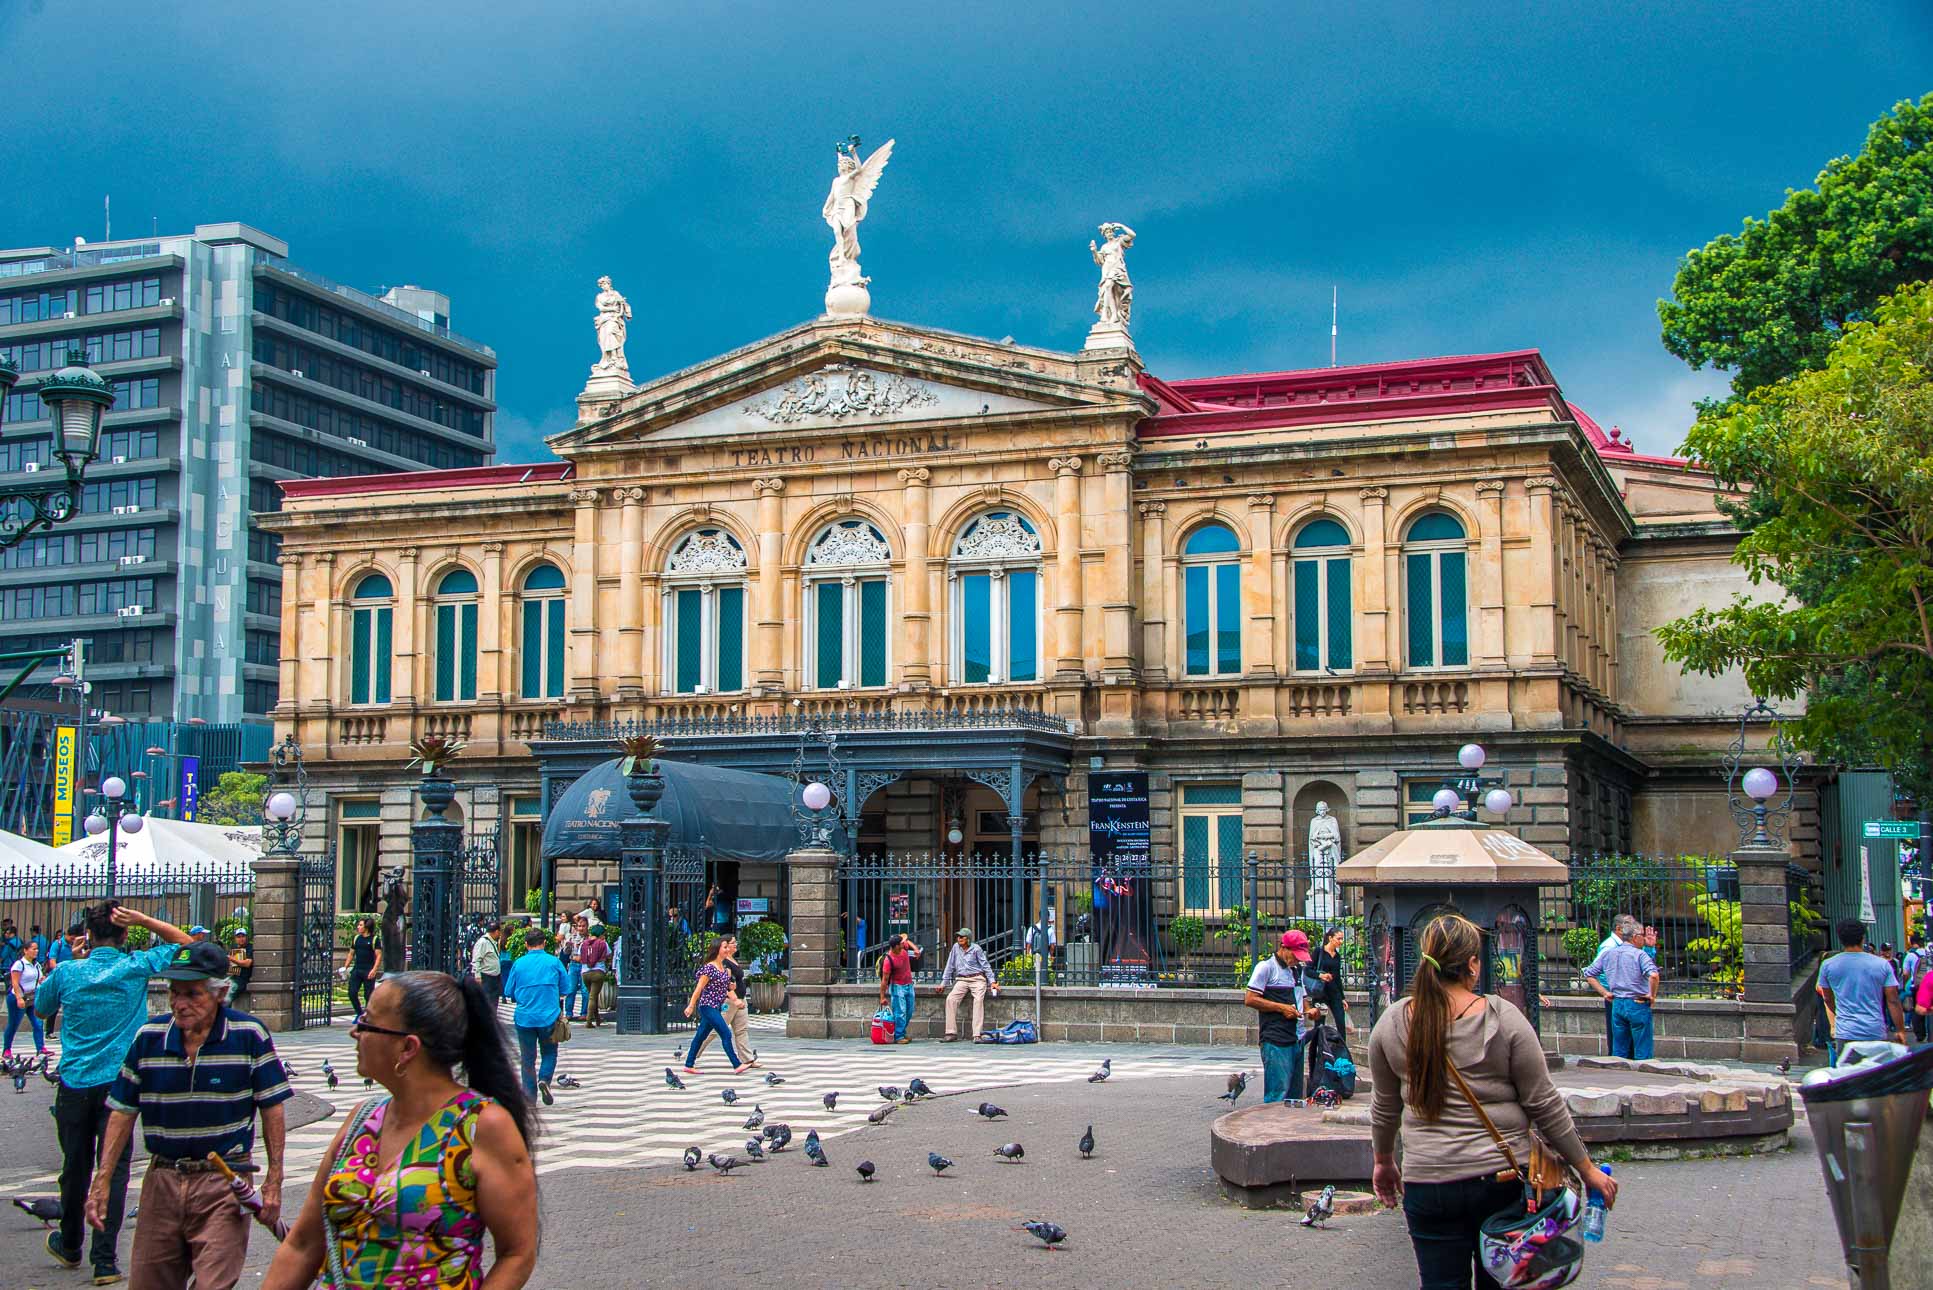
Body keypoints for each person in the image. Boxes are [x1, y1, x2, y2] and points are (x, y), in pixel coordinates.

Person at [1370, 914, 1617, 1289]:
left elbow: (1385, 1108)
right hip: (1500, 1181)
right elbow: (1544, 1103)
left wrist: (1384, 1162)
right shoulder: (1503, 1018)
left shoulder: (1392, 1023)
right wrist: (1586, 1168)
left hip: (1428, 1181)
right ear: (1472, 964)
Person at [259, 972, 538, 1290]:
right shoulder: (362, 1120)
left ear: (407, 1047)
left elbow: (517, 1253)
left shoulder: (481, 1126)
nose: (355, 1032)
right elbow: (303, 1245)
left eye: (366, 1023)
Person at [87, 941, 290, 1290]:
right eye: (174, 993)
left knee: (214, 1282)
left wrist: (274, 1179)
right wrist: (102, 1179)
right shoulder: (149, 1037)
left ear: (220, 993)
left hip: (224, 1179)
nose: (180, 1004)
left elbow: (272, 1105)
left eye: (192, 994)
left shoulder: (248, 1035)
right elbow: (122, 1111)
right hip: (163, 1178)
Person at [36, 903, 194, 1283]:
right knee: (114, 1169)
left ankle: (71, 1241)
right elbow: (189, 946)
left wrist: (72, 964)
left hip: (74, 1082)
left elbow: (41, 1008)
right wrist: (144, 920)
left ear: (87, 936)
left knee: (74, 1167)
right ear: (124, 935)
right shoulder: (134, 966)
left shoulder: (69, 973)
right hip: (119, 1085)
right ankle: (104, 1259)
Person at [1244, 930, 1324, 1102]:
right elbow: (1250, 999)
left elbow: (1301, 996)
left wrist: (1309, 1010)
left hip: (1297, 1038)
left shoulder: (1296, 970)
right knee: (1278, 1094)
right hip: (1276, 1040)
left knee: (1295, 1096)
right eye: (1295, 955)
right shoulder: (1266, 968)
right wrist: (1281, 1008)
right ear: (1283, 948)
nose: (1297, 959)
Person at [1818, 918, 1908, 1059]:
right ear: (1862, 938)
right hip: (1874, 1030)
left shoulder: (1828, 965)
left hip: (1845, 1031)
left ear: (1840, 939)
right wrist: (1900, 1030)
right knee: (1875, 1076)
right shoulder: (1882, 965)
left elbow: (1827, 998)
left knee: (1847, 1075)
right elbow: (1893, 1000)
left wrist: (1838, 1021)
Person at [500, 926, 568, 1105]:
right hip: (549, 1016)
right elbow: (567, 988)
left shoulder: (519, 963)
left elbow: (508, 991)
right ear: (544, 943)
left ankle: (529, 1096)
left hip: (524, 1018)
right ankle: (544, 1079)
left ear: (525, 944)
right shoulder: (554, 962)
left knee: (527, 1058)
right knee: (550, 1052)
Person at [1584, 914, 1660, 1059]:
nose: (1644, 939)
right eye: (1642, 935)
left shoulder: (1610, 953)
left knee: (1619, 1049)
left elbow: (1589, 974)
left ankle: (1618, 1074)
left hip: (1618, 1002)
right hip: (1638, 1002)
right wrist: (1652, 995)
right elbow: (1654, 975)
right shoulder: (1638, 955)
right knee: (1642, 1049)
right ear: (1635, 937)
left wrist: (1605, 993)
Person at [680, 938, 751, 1074]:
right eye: (724, 947)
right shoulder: (709, 968)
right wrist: (691, 1006)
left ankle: (689, 1064)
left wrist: (735, 999)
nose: (727, 949)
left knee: (700, 1036)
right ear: (717, 949)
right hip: (707, 1006)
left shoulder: (723, 969)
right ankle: (736, 1064)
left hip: (717, 1006)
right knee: (726, 1033)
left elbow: (726, 989)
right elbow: (699, 988)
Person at [695, 933, 757, 1067]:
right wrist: (734, 999)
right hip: (728, 1002)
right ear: (725, 946)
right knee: (714, 1030)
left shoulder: (733, 960)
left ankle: (748, 1059)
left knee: (741, 1030)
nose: (736, 945)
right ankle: (692, 1054)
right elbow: (726, 984)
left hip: (740, 999)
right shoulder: (724, 963)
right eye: (733, 943)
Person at [939, 927, 997, 1042]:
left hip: (977, 978)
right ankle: (951, 1032)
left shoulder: (976, 949)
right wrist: (943, 983)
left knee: (978, 1000)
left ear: (968, 939)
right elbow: (949, 965)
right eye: (958, 937)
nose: (959, 939)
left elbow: (985, 965)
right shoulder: (956, 948)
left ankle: (977, 1034)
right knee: (951, 999)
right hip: (962, 979)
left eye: (962, 937)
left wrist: (992, 982)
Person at [6, 938, 48, 1060]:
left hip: (32, 998)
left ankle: (40, 1049)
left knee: (38, 1023)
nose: (36, 951)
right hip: (19, 998)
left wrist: (43, 980)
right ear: (25, 950)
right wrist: (19, 998)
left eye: (37, 949)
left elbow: (39, 979)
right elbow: (15, 982)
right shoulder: (19, 964)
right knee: (13, 1024)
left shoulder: (37, 965)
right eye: (33, 949)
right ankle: (7, 1049)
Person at [878, 933, 921, 1044]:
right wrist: (882, 997)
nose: (904, 944)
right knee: (900, 1012)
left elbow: (908, 941)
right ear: (896, 946)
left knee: (909, 1011)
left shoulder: (903, 948)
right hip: (897, 987)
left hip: (909, 985)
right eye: (901, 943)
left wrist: (916, 949)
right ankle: (899, 1036)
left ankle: (901, 1031)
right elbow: (884, 980)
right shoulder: (888, 960)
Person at [1313, 925, 1350, 1038]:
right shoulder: (1319, 952)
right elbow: (1308, 970)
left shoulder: (1337, 956)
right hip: (1321, 992)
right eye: (1338, 938)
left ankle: (1341, 1049)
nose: (1341, 941)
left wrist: (1342, 997)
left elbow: (1337, 977)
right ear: (1330, 938)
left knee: (1341, 1023)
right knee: (1320, 1024)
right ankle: (1318, 1048)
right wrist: (1321, 975)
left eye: (1342, 939)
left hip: (1334, 992)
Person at [344, 918, 380, 1020]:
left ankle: (368, 1016)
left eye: (360, 925)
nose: (358, 927)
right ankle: (359, 1013)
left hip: (368, 970)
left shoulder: (374, 939)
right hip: (357, 970)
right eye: (358, 925)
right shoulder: (356, 938)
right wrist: (345, 967)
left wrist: (374, 969)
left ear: (367, 927)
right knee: (352, 992)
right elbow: (351, 954)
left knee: (368, 995)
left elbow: (378, 956)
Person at [578, 922, 612, 1028]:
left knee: (593, 996)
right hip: (598, 972)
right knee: (593, 997)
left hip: (585, 972)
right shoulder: (602, 943)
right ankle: (588, 1021)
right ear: (601, 934)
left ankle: (597, 1019)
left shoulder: (584, 943)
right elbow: (609, 955)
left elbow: (579, 958)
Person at [556, 917, 587, 1022]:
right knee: (571, 989)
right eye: (579, 926)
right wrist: (568, 946)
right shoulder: (572, 937)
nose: (581, 928)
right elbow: (565, 953)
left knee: (585, 990)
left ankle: (584, 1013)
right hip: (573, 964)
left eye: (583, 926)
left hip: (585, 965)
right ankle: (569, 1013)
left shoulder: (589, 938)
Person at [471, 920, 503, 1006]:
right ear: (496, 931)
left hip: (494, 977)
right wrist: (477, 976)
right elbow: (476, 960)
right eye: (500, 932)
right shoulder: (483, 942)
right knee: (488, 1000)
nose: (500, 934)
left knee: (494, 1000)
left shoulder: (493, 942)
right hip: (486, 977)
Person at [228, 929, 254, 1010]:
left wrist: (232, 959)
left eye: (243, 936)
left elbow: (247, 963)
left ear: (246, 937)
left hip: (242, 979)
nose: (241, 938)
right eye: (238, 937)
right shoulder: (234, 948)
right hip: (234, 977)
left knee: (228, 997)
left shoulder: (250, 948)